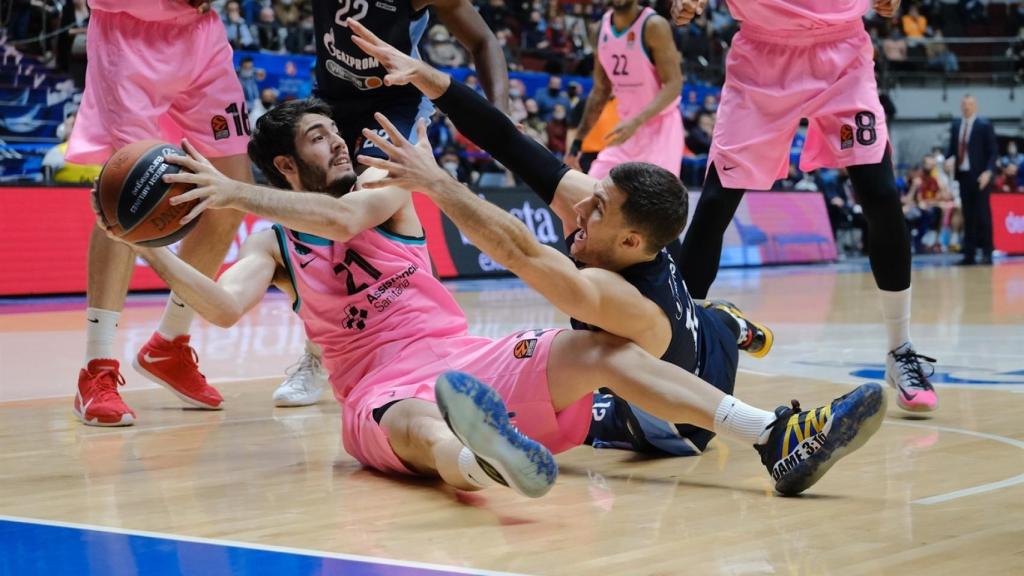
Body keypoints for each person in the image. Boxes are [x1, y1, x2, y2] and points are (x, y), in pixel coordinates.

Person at [107, 96, 883, 500]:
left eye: (333, 130)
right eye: (318, 137)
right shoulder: (277, 240)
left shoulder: (382, 184)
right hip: (376, 386)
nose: (338, 140)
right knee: (413, 418)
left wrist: (231, 192)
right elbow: (217, 307)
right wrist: (148, 249)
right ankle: (476, 462)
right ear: (284, 164)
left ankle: (773, 436)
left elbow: (342, 217)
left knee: (596, 348)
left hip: (466, 360)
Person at [349, 26, 777, 457]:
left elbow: (520, 252)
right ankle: (727, 322)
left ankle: (732, 341)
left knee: (553, 394)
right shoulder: (631, 226)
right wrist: (425, 76)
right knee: (709, 322)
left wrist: (438, 184)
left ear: (629, 241)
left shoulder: (620, 296)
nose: (582, 207)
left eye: (599, 208)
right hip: (706, 340)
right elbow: (508, 141)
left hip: (677, 423)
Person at [668, 0, 939, 413]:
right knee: (717, 202)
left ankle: (900, 349)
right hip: (763, 55)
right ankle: (678, 359)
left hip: (842, 52)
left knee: (881, 195)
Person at [269, 0, 511, 407]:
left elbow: (484, 39)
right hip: (329, 103)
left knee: (368, 206)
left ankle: (428, 336)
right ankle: (318, 354)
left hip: (394, 105)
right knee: (313, 224)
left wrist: (499, 117)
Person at [66, 0, 255, 426]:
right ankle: (97, 369)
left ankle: (169, 343)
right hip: (130, 33)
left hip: (201, 33)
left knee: (230, 191)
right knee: (127, 194)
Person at [569, 0, 684, 179]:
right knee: (593, 191)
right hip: (625, 130)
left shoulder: (654, 26)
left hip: (661, 131)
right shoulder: (599, 30)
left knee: (655, 201)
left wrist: (636, 121)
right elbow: (600, 91)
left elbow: (674, 84)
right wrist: (577, 144)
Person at [945, 95, 998, 265]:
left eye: (970, 104)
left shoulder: (984, 125)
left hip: (980, 177)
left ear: (975, 106)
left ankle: (987, 253)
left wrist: (988, 172)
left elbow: (993, 152)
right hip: (963, 176)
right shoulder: (956, 125)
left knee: (983, 216)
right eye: (964, 104)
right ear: (961, 106)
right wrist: (948, 160)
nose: (966, 107)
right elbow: (952, 149)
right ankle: (969, 254)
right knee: (968, 216)